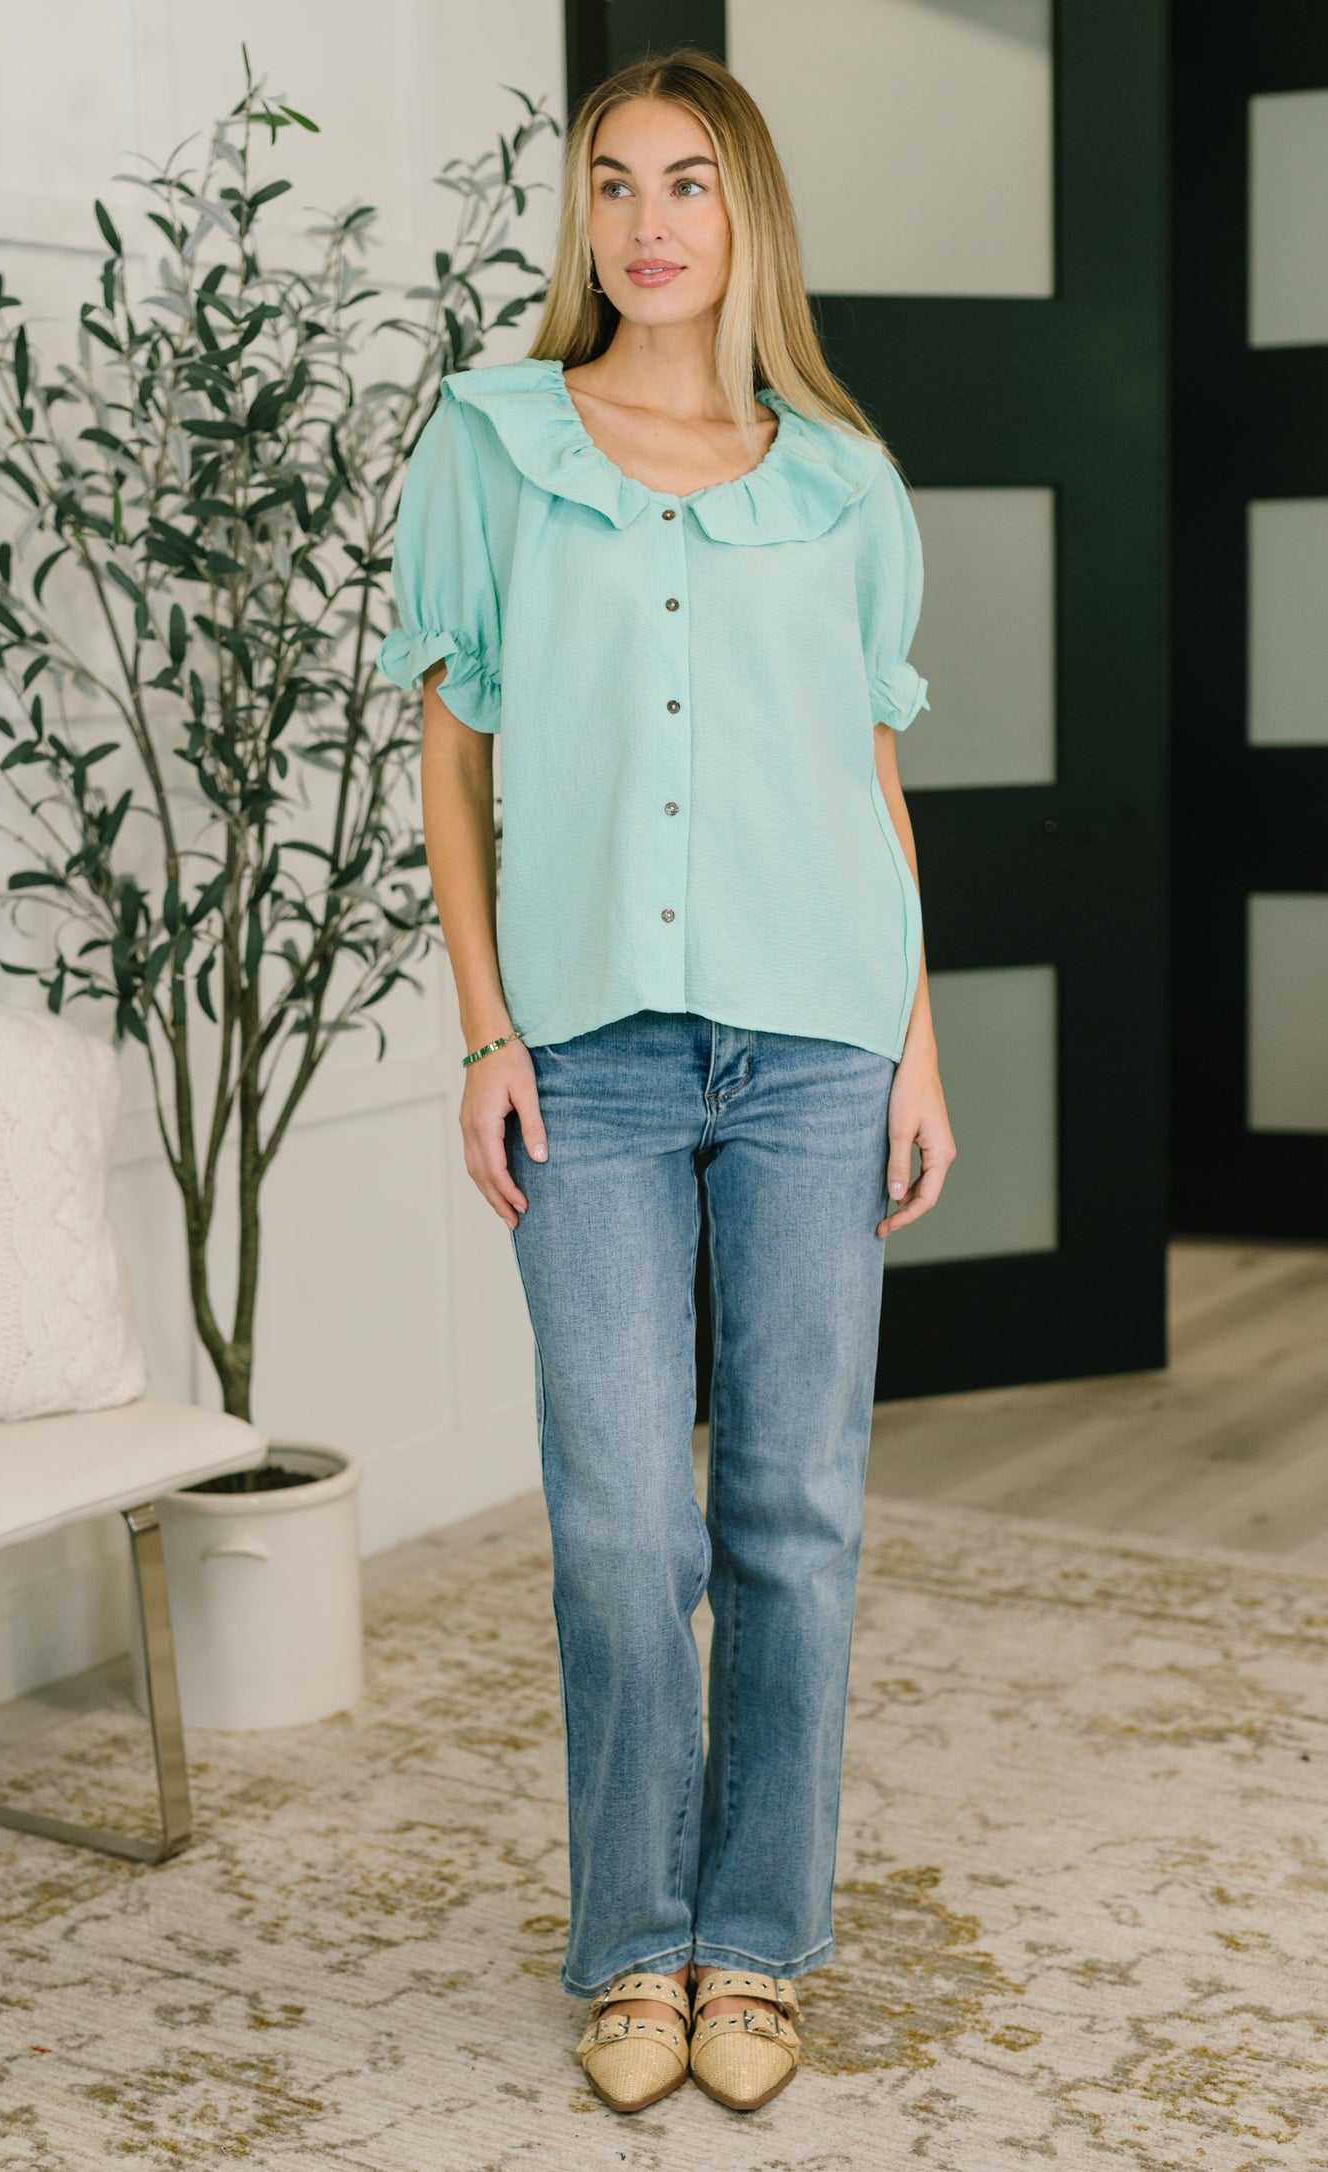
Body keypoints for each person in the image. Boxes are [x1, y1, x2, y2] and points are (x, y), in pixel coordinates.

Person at [378, 45, 956, 2119]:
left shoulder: (844, 482)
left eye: (688, 181)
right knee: (626, 1524)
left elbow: (867, 773)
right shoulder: (494, 443)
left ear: (746, 215)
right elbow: (452, 752)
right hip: (590, 1057)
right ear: (583, 219)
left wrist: (917, 1044)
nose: (646, 220)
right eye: (612, 182)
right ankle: (633, 1940)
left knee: (793, 1509)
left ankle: (756, 1946)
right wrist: (483, 1029)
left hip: (818, 1041)